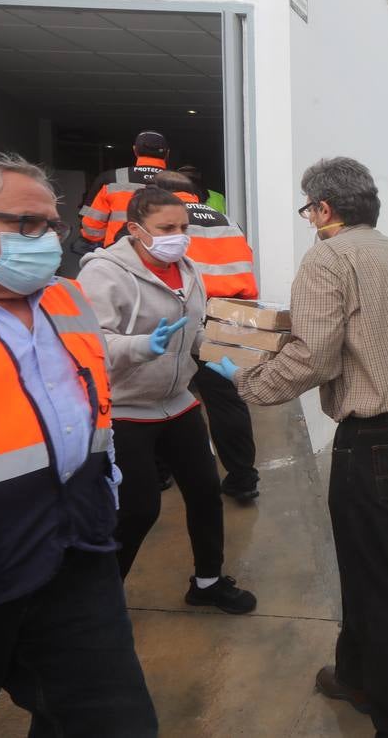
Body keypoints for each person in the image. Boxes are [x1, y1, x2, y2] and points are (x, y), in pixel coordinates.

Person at [205, 157, 388, 737]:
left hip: (376, 442)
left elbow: (312, 356)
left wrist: (244, 381)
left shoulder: (328, 258)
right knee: (370, 559)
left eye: (307, 208)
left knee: (375, 579)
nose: (308, 218)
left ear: (323, 209)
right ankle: (355, 674)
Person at [0, 152, 158, 735]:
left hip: (75, 548)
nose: (47, 240)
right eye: (26, 224)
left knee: (112, 722)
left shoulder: (65, 297)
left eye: (53, 225)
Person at [77, 187, 256, 615]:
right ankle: (101, 602)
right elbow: (92, 341)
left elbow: (192, 332)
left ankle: (208, 582)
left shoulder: (188, 269)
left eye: (182, 227)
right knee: (139, 509)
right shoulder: (103, 274)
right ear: (136, 229)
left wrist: (224, 358)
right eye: (166, 228)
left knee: (206, 493)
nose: (178, 236)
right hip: (125, 406)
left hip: (176, 401)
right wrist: (141, 346)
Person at [154, 171, 260, 501]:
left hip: (177, 317)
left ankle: (161, 473)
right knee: (226, 400)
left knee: (166, 396)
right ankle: (243, 479)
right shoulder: (226, 220)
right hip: (227, 316)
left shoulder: (163, 221)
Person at [77, 130, 170, 249]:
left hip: (117, 253)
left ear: (135, 150)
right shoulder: (184, 184)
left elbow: (91, 229)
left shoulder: (111, 179)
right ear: (167, 153)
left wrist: (111, 238)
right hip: (165, 258)